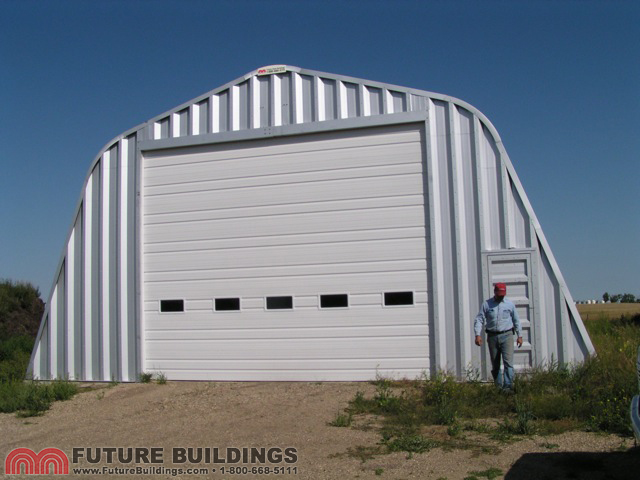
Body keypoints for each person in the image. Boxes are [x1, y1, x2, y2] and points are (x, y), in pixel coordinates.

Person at [474, 282, 523, 390]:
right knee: (495, 364)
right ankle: (498, 388)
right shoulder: (487, 304)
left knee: (508, 363)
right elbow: (479, 319)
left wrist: (520, 336)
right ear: (495, 292)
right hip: (492, 336)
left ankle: (508, 388)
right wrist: (477, 334)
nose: (501, 296)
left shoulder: (510, 304)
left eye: (503, 294)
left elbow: (516, 320)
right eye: (499, 293)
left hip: (507, 335)